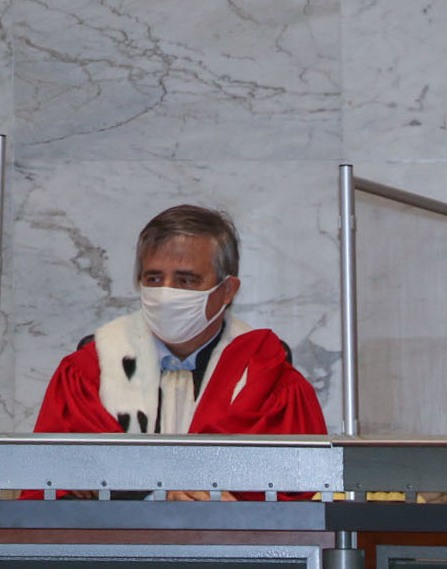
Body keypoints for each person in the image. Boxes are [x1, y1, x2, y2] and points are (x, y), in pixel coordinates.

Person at [31, 205, 324, 501]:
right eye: (154, 279)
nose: (166, 294)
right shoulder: (90, 373)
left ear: (227, 290)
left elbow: (301, 504)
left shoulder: (269, 381)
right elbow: (49, 494)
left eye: (186, 280)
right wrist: (158, 499)